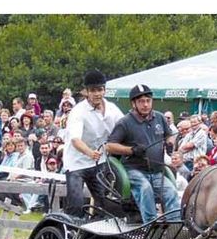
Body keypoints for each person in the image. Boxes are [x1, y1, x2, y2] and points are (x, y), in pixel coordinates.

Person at [106, 84, 181, 222]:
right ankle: (150, 225)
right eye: (141, 101)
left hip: (157, 171)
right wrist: (131, 150)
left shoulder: (159, 118)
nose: (145, 104)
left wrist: (170, 144)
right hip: (134, 170)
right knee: (145, 189)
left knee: (171, 192)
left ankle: (174, 228)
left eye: (148, 100)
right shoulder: (125, 122)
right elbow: (109, 146)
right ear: (134, 103)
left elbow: (169, 135)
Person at [62, 71, 124, 216]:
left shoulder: (112, 109)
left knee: (104, 204)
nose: (97, 94)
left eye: (100, 89)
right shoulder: (78, 112)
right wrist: (90, 152)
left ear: (104, 90)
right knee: (76, 204)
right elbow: (75, 140)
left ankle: (97, 234)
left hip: (99, 162)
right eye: (93, 90)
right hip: (76, 163)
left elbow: (124, 126)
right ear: (86, 92)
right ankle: (70, 234)